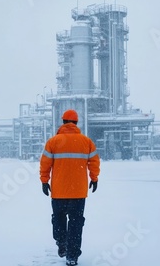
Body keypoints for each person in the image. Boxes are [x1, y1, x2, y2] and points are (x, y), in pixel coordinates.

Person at [39, 109, 100, 266]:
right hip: (78, 193)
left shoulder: (53, 142)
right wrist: (94, 178)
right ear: (76, 123)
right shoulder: (86, 142)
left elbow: (45, 163)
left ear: (63, 122)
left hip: (58, 192)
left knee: (58, 219)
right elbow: (94, 162)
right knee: (76, 223)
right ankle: (72, 256)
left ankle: (61, 243)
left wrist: (44, 181)